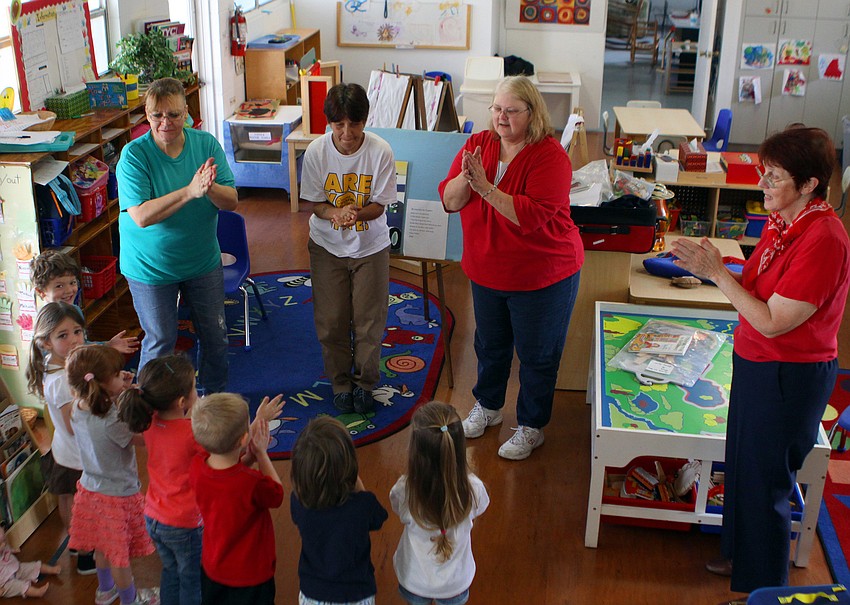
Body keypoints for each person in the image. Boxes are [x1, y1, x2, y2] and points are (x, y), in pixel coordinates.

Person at [670, 126, 850, 600]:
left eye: (774, 177)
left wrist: (715, 274)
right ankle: (739, 556)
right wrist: (715, 270)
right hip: (757, 361)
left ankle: (763, 589)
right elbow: (756, 286)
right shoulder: (783, 218)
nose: (762, 184)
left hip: (789, 374)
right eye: (764, 173)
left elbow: (773, 321)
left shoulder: (824, 238)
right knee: (743, 466)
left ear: (809, 184)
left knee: (768, 480)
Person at [438, 75, 584, 460]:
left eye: (511, 111)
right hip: (488, 269)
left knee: (537, 354)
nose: (501, 117)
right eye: (497, 109)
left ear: (532, 113)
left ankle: (531, 426)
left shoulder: (550, 157)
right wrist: (466, 178)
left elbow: (528, 217)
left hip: (542, 274)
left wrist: (485, 187)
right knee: (490, 345)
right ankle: (488, 407)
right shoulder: (478, 144)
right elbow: (450, 201)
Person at [119, 357, 284, 605]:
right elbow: (227, 448)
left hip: (153, 516)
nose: (198, 393)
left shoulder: (147, 420)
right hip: (184, 524)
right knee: (192, 581)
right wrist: (258, 421)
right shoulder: (191, 434)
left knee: (171, 572)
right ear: (181, 402)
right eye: (194, 388)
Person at [116, 77, 238, 393]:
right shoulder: (133, 156)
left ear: (186, 113)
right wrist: (189, 191)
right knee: (161, 340)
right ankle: (149, 407)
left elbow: (231, 201)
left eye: (173, 114)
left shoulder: (205, 144)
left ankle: (212, 400)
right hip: (150, 267)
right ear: (147, 114)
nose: (165, 122)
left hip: (201, 260)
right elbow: (141, 216)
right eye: (157, 115)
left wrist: (209, 188)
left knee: (215, 334)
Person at [300, 82, 397, 415]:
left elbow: (380, 205)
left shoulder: (380, 151)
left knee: (369, 320)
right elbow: (314, 203)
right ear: (329, 122)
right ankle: (341, 383)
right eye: (338, 124)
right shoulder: (316, 152)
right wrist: (334, 214)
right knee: (331, 320)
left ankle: (365, 383)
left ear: (364, 121)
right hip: (326, 246)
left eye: (354, 124)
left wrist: (355, 214)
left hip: (371, 248)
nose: (346, 132)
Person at [64, 344, 159, 605]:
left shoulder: (78, 406)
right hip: (117, 495)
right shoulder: (112, 419)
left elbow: (102, 410)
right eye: (117, 374)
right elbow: (140, 439)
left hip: (91, 490)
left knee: (102, 548)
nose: (123, 376)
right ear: (102, 383)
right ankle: (131, 600)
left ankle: (105, 590)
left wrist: (117, 389)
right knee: (120, 557)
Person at [189, 393, 284, 605]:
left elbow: (228, 473)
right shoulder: (251, 482)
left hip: (213, 568)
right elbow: (277, 494)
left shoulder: (197, 466)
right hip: (251, 575)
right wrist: (261, 454)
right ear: (243, 439)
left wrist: (250, 453)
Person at [391, 402, 489, 605]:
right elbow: (480, 508)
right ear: (458, 447)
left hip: (414, 580)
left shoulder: (405, 489)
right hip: (456, 583)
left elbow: (398, 509)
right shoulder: (474, 489)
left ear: (415, 451)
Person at [25, 303, 97, 575]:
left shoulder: (54, 365)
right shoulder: (63, 381)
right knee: (82, 505)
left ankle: (77, 544)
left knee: (69, 500)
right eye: (63, 335)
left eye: (77, 331)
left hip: (64, 452)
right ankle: (86, 554)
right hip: (77, 454)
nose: (75, 340)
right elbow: (73, 426)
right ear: (46, 342)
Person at [290, 416, 388, 605]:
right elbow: (379, 519)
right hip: (356, 593)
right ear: (349, 467)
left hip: (313, 593)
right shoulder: (362, 505)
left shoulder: (298, 502)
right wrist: (357, 483)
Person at [30, 249, 139, 354]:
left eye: (72, 283)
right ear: (41, 292)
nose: (69, 290)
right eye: (59, 286)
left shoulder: (75, 310)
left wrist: (107, 345)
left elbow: (83, 344)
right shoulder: (45, 323)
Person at [0, 521, 61, 598]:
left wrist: (12, 550)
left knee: (34, 566)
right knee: (21, 586)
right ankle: (37, 592)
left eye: (4, 540)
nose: (4, 544)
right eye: (1, 543)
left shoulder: (4, 544)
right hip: (5, 582)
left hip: (16, 568)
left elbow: (7, 549)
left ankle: (51, 569)